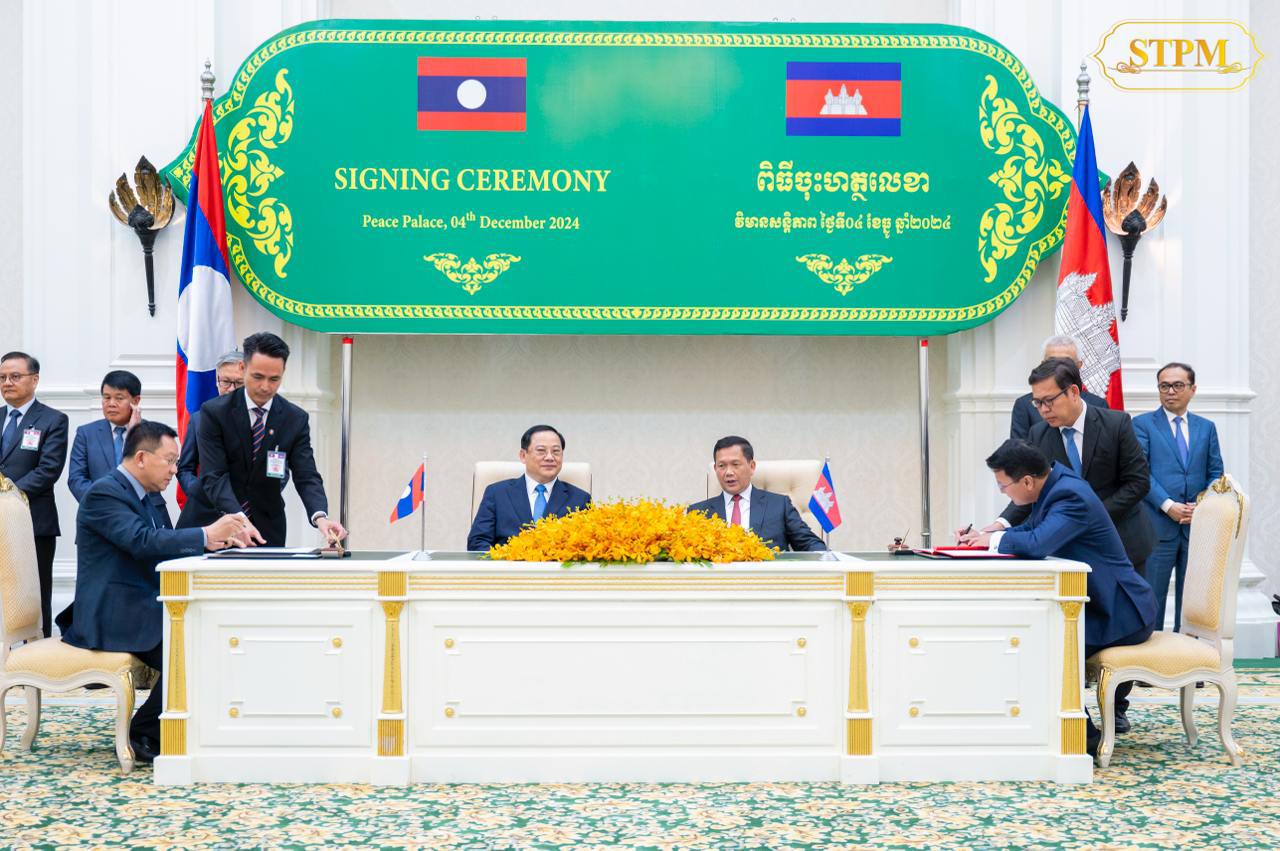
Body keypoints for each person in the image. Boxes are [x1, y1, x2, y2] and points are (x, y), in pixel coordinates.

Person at [57, 421, 250, 764]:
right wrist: (205, 534)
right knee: (192, 647)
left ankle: (186, 725)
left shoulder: (148, 495)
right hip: (112, 612)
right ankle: (144, 732)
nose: (176, 470)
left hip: (141, 602)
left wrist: (214, 545)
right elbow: (141, 541)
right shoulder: (105, 493)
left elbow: (164, 544)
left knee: (208, 633)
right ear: (142, 458)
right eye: (170, 461)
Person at [966, 440, 1157, 758]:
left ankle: (1083, 738)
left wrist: (993, 540)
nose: (1003, 493)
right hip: (1101, 605)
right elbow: (1031, 529)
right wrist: (985, 538)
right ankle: (1044, 727)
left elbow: (1038, 542)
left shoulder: (1070, 496)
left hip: (1122, 612)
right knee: (1033, 636)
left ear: (1027, 481)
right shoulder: (1055, 486)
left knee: (1047, 646)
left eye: (1003, 486)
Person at [176, 332, 346, 547]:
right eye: (258, 377)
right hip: (212, 523)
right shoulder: (214, 413)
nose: (265, 386)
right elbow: (215, 476)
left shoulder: (295, 418)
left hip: (266, 528)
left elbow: (306, 475)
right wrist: (240, 520)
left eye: (274, 379)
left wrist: (320, 517)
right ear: (243, 368)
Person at [1133, 362, 1224, 632]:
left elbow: (1216, 472)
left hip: (1196, 528)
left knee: (1192, 603)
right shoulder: (1142, 425)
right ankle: (1151, 653)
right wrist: (1168, 505)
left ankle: (1186, 653)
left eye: (1177, 385)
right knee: (1153, 600)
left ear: (1192, 389)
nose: (1170, 391)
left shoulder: (1206, 428)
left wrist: (1201, 505)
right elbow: (1141, 472)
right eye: (1164, 386)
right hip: (1157, 528)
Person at [0, 351, 69, 638]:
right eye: (2, 377)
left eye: (15, 376)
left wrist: (7, 496)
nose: (7, 383)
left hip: (33, 521)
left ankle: (38, 652)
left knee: (36, 592)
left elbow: (48, 470)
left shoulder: (53, 419)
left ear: (35, 379)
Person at [176, 350, 288, 500]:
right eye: (225, 381)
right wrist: (201, 493)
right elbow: (185, 468)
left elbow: (279, 470)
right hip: (207, 507)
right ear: (217, 381)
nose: (231, 389)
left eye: (239, 383)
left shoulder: (270, 420)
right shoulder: (200, 419)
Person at [686, 436, 825, 552]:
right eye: (722, 466)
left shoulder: (779, 505)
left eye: (735, 464)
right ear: (715, 468)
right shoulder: (698, 513)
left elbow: (809, 544)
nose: (728, 472)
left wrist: (828, 561)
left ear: (752, 466)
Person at [467, 424, 591, 551]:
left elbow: (587, 546)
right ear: (523, 455)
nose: (550, 457)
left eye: (556, 451)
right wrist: (506, 560)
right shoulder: (497, 493)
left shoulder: (580, 499)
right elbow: (477, 542)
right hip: (507, 563)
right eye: (541, 450)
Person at [67, 371, 157, 506]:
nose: (111, 403)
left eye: (119, 398)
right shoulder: (86, 433)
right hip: (100, 510)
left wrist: (134, 434)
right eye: (106, 397)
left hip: (145, 509)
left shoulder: (152, 433)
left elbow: (153, 475)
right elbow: (76, 479)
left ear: (136, 401)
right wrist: (106, 503)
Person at [1010, 335, 1109, 441]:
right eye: (1051, 363)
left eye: (1066, 363)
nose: (1058, 369)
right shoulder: (1025, 406)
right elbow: (1018, 449)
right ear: (1043, 365)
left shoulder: (1098, 405)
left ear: (1079, 365)